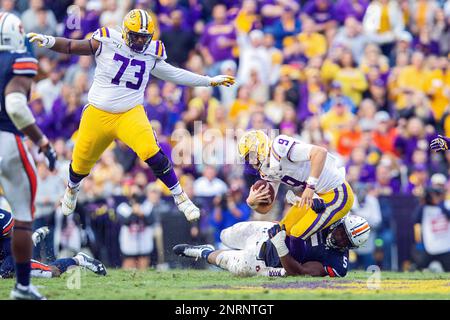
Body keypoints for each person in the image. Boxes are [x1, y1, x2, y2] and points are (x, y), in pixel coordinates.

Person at [27, 9, 235, 223]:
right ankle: (72, 189)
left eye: (143, 37)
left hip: (129, 112)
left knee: (150, 150)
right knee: (80, 163)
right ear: (125, 31)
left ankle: (180, 196)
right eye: (135, 35)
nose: (138, 40)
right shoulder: (108, 40)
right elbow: (73, 46)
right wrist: (49, 40)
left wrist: (207, 80)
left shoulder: (152, 52)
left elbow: (174, 74)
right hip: (98, 113)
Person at [0, 13, 57, 300]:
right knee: (22, 216)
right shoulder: (17, 59)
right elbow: (15, 105)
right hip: (7, 139)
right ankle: (22, 288)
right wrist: (43, 142)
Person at [237, 130, 354, 240]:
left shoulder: (278, 146)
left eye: (251, 155)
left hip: (337, 191)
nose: (251, 161)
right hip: (316, 196)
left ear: (260, 147)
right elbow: (267, 208)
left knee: (297, 234)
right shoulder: (266, 170)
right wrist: (252, 203)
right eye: (247, 158)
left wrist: (310, 187)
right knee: (282, 231)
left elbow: (320, 152)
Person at [173, 215, 370, 277]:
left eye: (346, 241)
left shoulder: (336, 262)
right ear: (339, 224)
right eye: (341, 232)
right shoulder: (327, 219)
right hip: (267, 232)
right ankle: (212, 246)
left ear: (351, 247)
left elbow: (299, 272)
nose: (339, 239)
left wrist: (281, 247)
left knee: (226, 260)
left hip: (267, 262)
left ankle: (203, 252)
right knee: (226, 235)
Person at [0, 208, 107, 279]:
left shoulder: (2, 217)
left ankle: (79, 260)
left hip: (12, 254)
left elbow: (11, 236)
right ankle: (33, 238)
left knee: (51, 272)